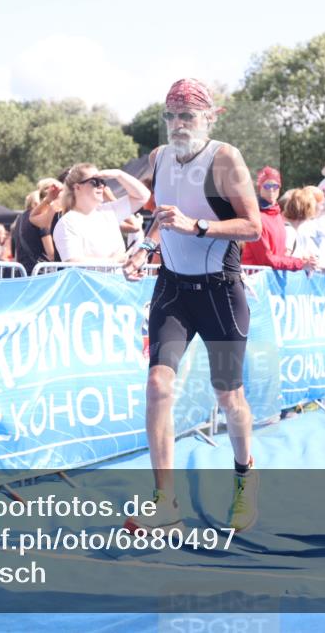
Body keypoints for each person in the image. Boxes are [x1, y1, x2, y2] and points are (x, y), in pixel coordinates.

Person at [122, 78, 262, 533]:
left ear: (209, 117)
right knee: (158, 387)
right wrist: (145, 246)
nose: (179, 124)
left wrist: (198, 227)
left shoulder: (226, 158)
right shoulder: (158, 158)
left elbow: (253, 227)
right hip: (173, 290)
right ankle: (165, 501)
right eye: (171, 116)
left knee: (229, 396)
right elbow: (162, 220)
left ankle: (244, 482)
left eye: (188, 116)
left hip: (220, 291)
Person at [52, 163, 150, 263]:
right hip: (87, 279)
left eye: (102, 181)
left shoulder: (109, 211)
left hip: (117, 278)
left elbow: (143, 196)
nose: (101, 186)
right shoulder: (67, 222)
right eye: (95, 182)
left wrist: (119, 174)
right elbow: (72, 261)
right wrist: (113, 261)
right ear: (77, 187)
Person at [240, 166, 315, 272]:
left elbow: (280, 255)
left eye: (275, 186)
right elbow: (266, 260)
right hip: (254, 280)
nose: (271, 189)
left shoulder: (277, 216)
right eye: (267, 186)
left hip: (271, 281)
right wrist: (300, 263)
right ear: (260, 187)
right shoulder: (256, 217)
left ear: (279, 188)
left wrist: (303, 260)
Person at [12, 179, 61, 275]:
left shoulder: (21, 217)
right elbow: (51, 254)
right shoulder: (42, 217)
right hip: (41, 273)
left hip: (22, 272)